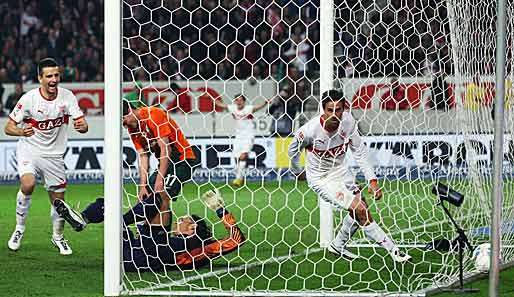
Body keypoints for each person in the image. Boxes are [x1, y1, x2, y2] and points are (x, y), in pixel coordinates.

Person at [288, 90, 411, 263]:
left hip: (340, 170)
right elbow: (293, 150)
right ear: (323, 110)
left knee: (362, 206)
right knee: (359, 209)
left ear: (344, 108)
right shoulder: (309, 131)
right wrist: (297, 171)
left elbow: (359, 151)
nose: (334, 114)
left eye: (338, 109)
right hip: (321, 178)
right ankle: (394, 251)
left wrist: (372, 180)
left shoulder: (348, 121)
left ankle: (337, 245)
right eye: (329, 110)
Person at [5, 58, 88, 255]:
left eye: (56, 75)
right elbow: (8, 127)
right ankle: (19, 229)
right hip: (30, 149)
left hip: (55, 156)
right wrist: (20, 132)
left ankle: (58, 237)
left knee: (58, 202)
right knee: (28, 184)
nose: (53, 79)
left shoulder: (68, 97)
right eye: (49, 76)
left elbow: (82, 124)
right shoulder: (28, 99)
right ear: (40, 78)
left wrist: (82, 126)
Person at [53, 189, 245, 271]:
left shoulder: (201, 246)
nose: (179, 219)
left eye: (184, 219)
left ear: (193, 227)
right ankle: (83, 219)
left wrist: (220, 209)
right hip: (136, 251)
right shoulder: (172, 238)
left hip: (151, 256)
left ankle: (112, 220)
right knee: (107, 204)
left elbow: (236, 240)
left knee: (160, 199)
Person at [122, 100, 198, 226]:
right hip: (167, 163)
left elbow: (165, 148)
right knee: (146, 199)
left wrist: (160, 178)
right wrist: (142, 185)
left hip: (183, 160)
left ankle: (162, 240)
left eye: (123, 119)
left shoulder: (153, 114)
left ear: (130, 111)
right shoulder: (132, 128)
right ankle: (146, 236)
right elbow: (143, 156)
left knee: (162, 196)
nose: (123, 124)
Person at [214, 94, 273, 186]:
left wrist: (265, 103)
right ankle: (241, 178)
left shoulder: (248, 109)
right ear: (235, 101)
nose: (239, 102)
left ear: (244, 101)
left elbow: (258, 107)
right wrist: (210, 97)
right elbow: (220, 104)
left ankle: (238, 179)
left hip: (249, 136)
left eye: (241, 100)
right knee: (237, 158)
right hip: (238, 137)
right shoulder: (233, 108)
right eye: (237, 100)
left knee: (243, 156)